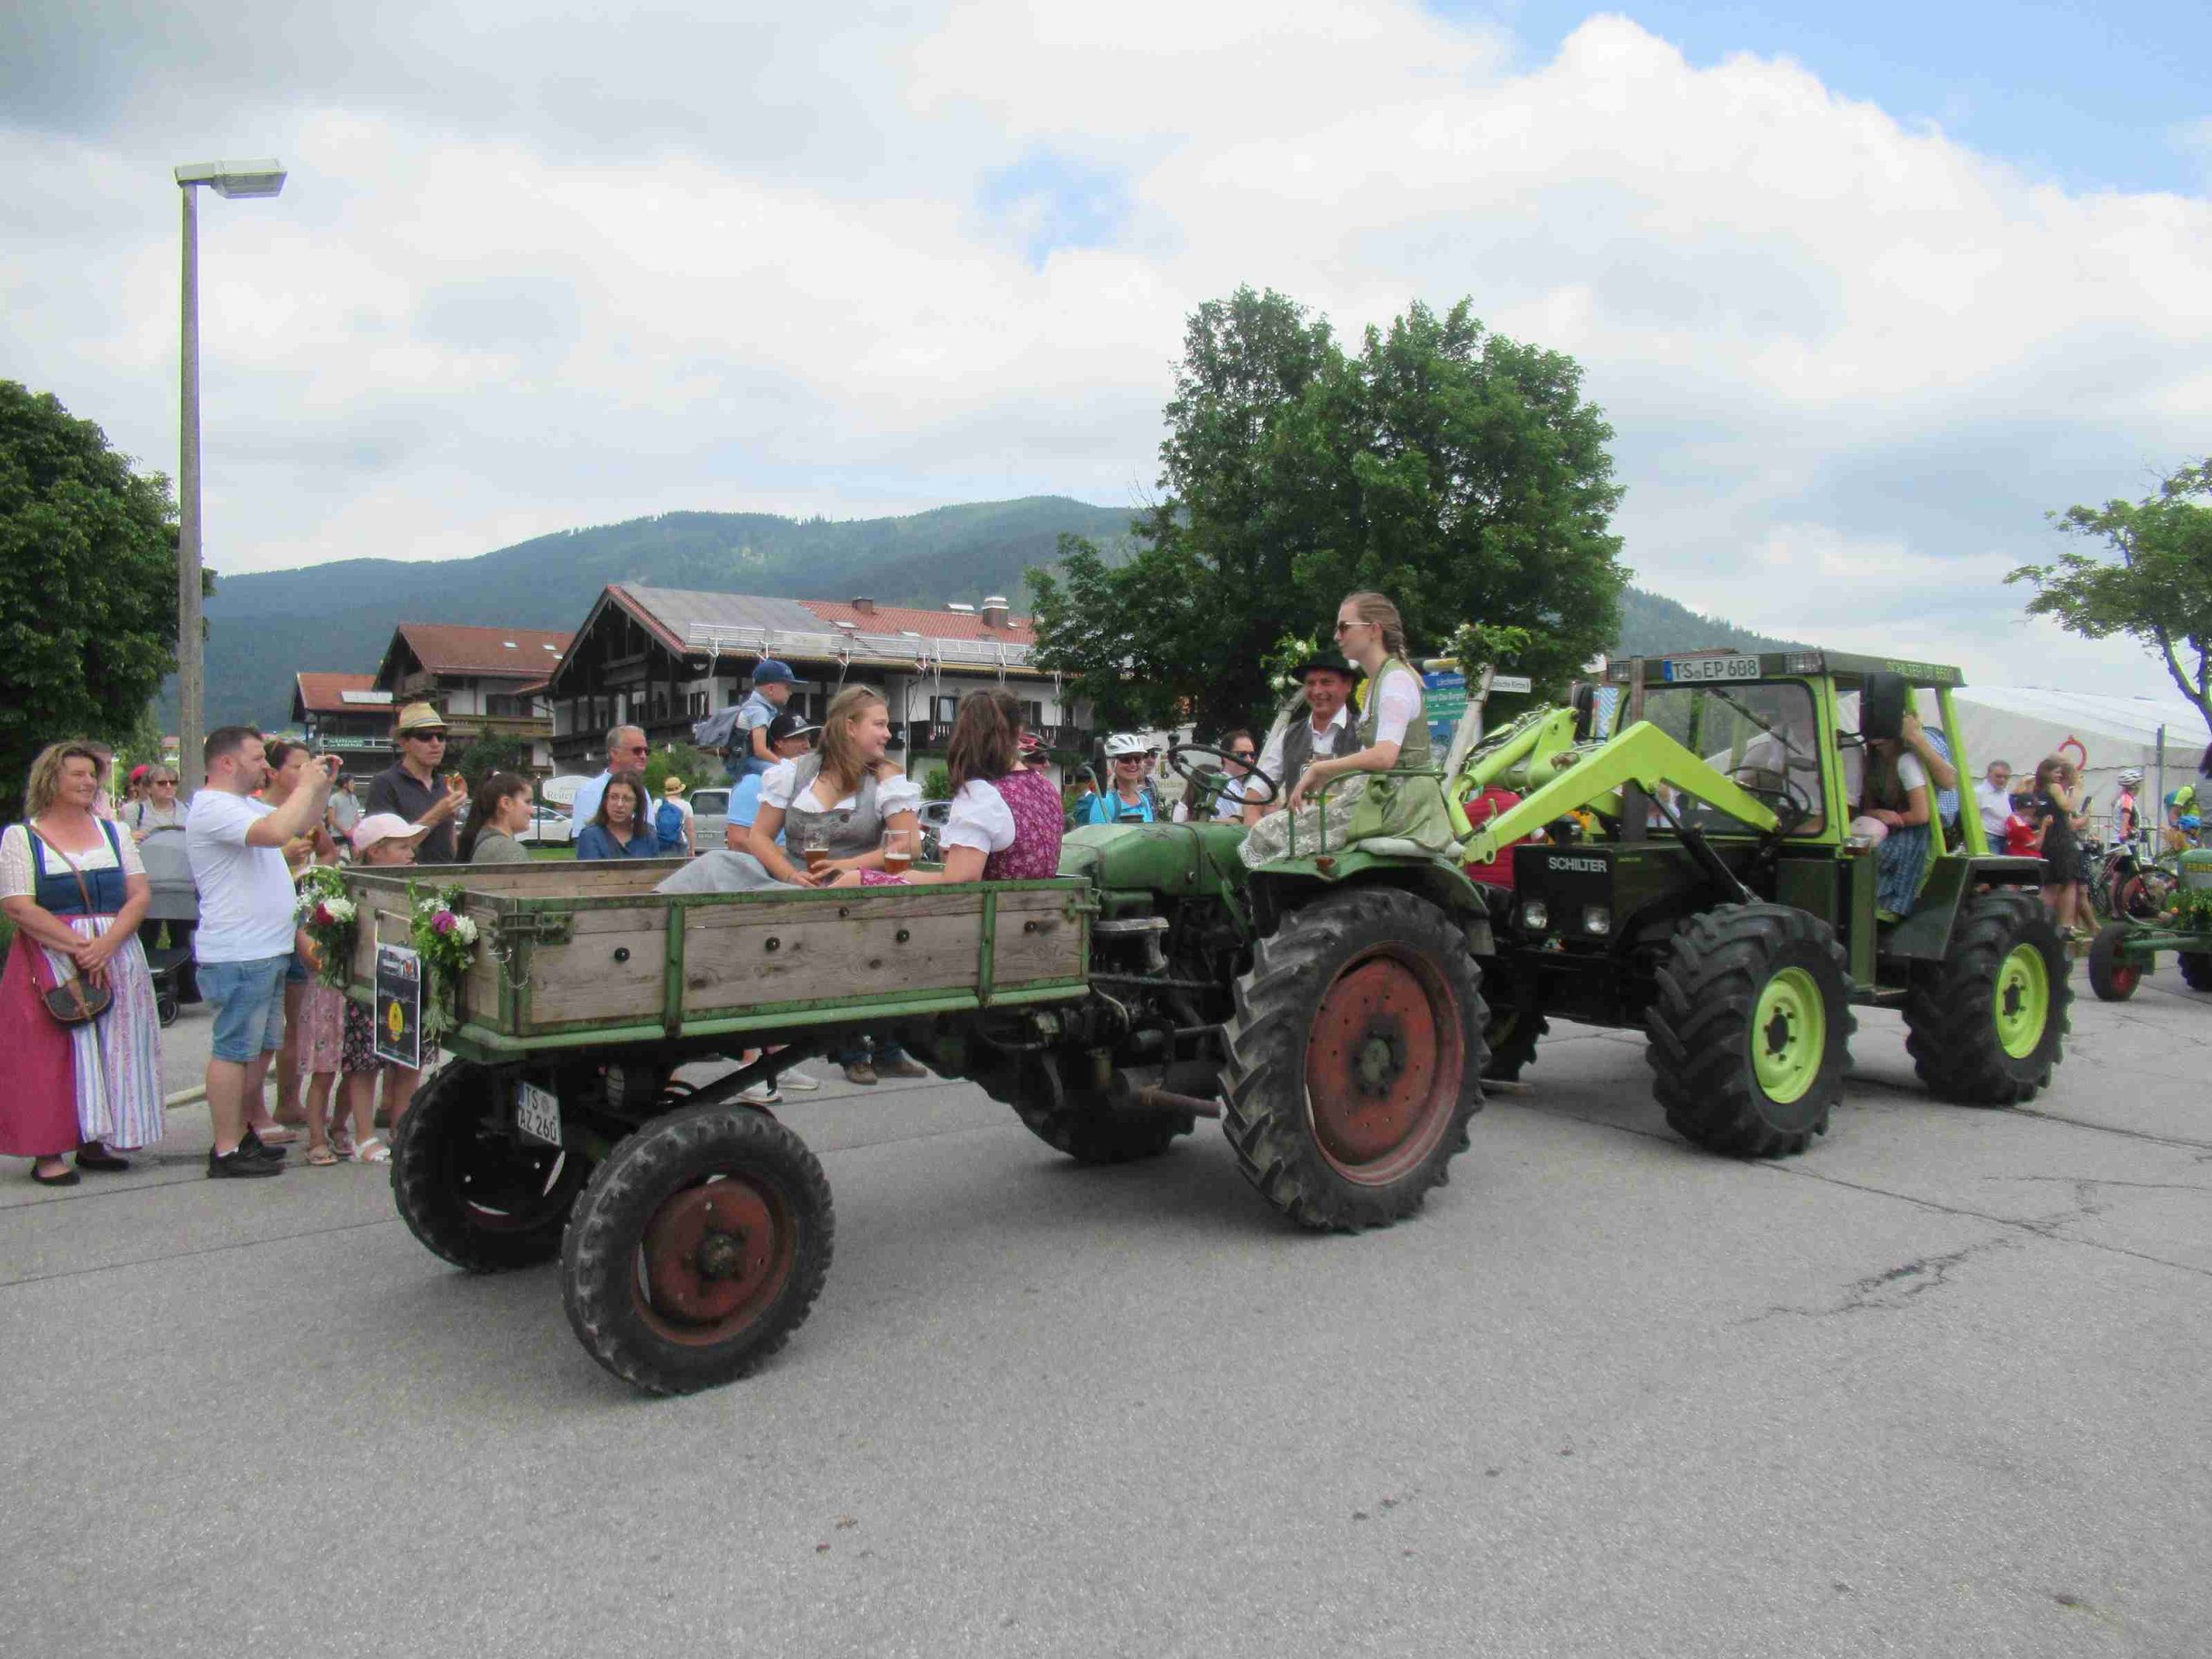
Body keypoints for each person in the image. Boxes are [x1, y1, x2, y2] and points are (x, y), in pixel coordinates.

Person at [0, 741, 166, 1185]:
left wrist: (106, 945)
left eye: (91, 774)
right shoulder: (22, 837)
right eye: (76, 774)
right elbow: (17, 905)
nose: (88, 781)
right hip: (49, 956)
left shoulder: (113, 832)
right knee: (51, 1052)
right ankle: (48, 1150)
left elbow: (139, 895)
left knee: (115, 1045)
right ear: (50, 779)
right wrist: (80, 948)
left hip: (115, 952)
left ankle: (96, 1141)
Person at [748, 684, 925, 1084]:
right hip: (800, 888)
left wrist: (847, 866)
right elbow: (758, 837)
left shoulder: (885, 778)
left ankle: (885, 1048)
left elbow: (910, 844)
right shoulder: (794, 773)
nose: (887, 733)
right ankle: (851, 1050)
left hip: (861, 891)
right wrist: (789, 874)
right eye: (879, 724)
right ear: (850, 727)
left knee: (876, 949)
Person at [187, 725, 339, 1177]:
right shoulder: (213, 806)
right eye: (256, 758)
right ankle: (226, 1149)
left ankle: (241, 1133)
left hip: (265, 948)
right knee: (234, 1050)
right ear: (226, 762)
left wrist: (319, 785)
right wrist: (306, 784)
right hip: (240, 951)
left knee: (259, 1050)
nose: (265, 766)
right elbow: (275, 832)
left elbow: (300, 821)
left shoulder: (242, 804)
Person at [1243, 593, 1453, 867]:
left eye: (1344, 627)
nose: (1337, 636)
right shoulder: (1382, 680)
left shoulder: (1396, 680)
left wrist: (1320, 770)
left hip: (1399, 801)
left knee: (1270, 833)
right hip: (1384, 796)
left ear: (1374, 630)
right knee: (1274, 830)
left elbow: (1384, 757)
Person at [834, 690, 1064, 886]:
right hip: (1037, 913)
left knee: (852, 882)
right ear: (1018, 731)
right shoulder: (1045, 787)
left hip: (991, 917)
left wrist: (898, 876)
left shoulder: (982, 794)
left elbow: (961, 878)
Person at [333, 814, 438, 1161]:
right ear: (376, 851)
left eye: (411, 846)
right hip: (371, 984)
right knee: (365, 1064)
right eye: (402, 847)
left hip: (409, 982)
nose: (411, 853)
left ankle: (401, 1129)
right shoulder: (356, 886)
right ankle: (364, 1136)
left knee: (409, 1061)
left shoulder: (417, 884)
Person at [262, 739, 343, 1131]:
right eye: (297, 766)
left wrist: (310, 879)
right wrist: (280, 861)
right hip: (262, 923)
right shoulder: (258, 812)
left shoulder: (307, 815)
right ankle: (252, 1111)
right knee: (263, 1023)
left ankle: (289, 1102)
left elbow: (328, 852)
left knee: (296, 1017)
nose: (306, 772)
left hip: (299, 917)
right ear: (273, 772)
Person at [1244, 657, 1360, 826]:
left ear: (1348, 685)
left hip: (1350, 834)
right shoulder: (1289, 735)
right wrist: (1252, 817)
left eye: (1326, 682)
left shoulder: (1363, 732)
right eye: (1310, 683)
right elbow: (1260, 785)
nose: (1317, 691)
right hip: (1296, 834)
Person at [364, 702, 467, 864]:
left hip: (445, 875)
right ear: (404, 743)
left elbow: (449, 836)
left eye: (441, 737)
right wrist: (438, 814)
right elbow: (382, 849)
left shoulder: (444, 783)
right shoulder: (384, 783)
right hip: (406, 877)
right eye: (425, 736)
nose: (435, 743)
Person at [1853, 732, 1933, 921]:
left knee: (1864, 853)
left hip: (1908, 831)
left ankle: (1878, 908)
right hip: (1879, 825)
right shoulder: (1872, 762)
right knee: (1846, 847)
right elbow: (1867, 809)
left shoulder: (1905, 761)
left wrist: (1889, 819)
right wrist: (1877, 814)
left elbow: (1921, 814)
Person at [728, 713, 818, 849]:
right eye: (799, 738)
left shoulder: (807, 782)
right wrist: (786, 857)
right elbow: (738, 841)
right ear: (779, 742)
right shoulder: (753, 783)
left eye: (808, 739)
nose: (807, 745)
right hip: (770, 861)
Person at [2029, 755, 2082, 934]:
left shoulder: (2039, 790)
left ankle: (2038, 922)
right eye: (2057, 772)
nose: (2060, 775)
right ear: (2047, 773)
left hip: (2048, 840)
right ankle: (2066, 926)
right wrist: (2077, 789)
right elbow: (2067, 806)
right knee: (2068, 883)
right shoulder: (2054, 787)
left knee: (2050, 884)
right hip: (2061, 840)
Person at [570, 725, 651, 839]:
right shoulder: (590, 792)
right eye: (637, 751)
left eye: (646, 751)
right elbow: (583, 840)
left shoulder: (642, 790)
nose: (643, 756)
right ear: (614, 753)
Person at [733, 659, 798, 780]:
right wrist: (783, 765)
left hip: (742, 761)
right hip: (748, 763)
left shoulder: (751, 705)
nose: (790, 693)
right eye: (787, 687)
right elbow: (760, 750)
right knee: (786, 774)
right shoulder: (759, 711)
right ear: (771, 689)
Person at [575, 771, 661, 860]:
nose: (619, 804)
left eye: (627, 799)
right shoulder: (590, 836)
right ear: (605, 800)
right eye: (613, 797)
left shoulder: (648, 834)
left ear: (637, 803)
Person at [1076, 734, 1159, 824]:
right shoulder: (1105, 802)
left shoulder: (1144, 800)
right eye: (1126, 759)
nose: (1133, 764)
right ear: (1112, 763)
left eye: (1137, 758)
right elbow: (1098, 833)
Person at [458, 772, 536, 865]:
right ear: (506, 803)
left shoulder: (481, 840)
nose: (532, 812)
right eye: (527, 802)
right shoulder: (508, 850)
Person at [1974, 760, 2015, 846]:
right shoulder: (1978, 792)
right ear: (1988, 775)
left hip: (2004, 838)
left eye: (2006, 777)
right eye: (1998, 776)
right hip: (1988, 838)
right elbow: (1973, 818)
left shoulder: (2004, 793)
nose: (2002, 780)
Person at [654, 776, 696, 855]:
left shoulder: (658, 803)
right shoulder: (686, 805)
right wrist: (692, 849)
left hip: (660, 843)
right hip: (679, 843)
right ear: (680, 790)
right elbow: (690, 830)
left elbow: (653, 824)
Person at [2113, 767, 2144, 845]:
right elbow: (2125, 816)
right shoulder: (2127, 800)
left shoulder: (2123, 798)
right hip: (2125, 843)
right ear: (2134, 786)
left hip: (2122, 842)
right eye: (2139, 784)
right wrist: (2124, 833)